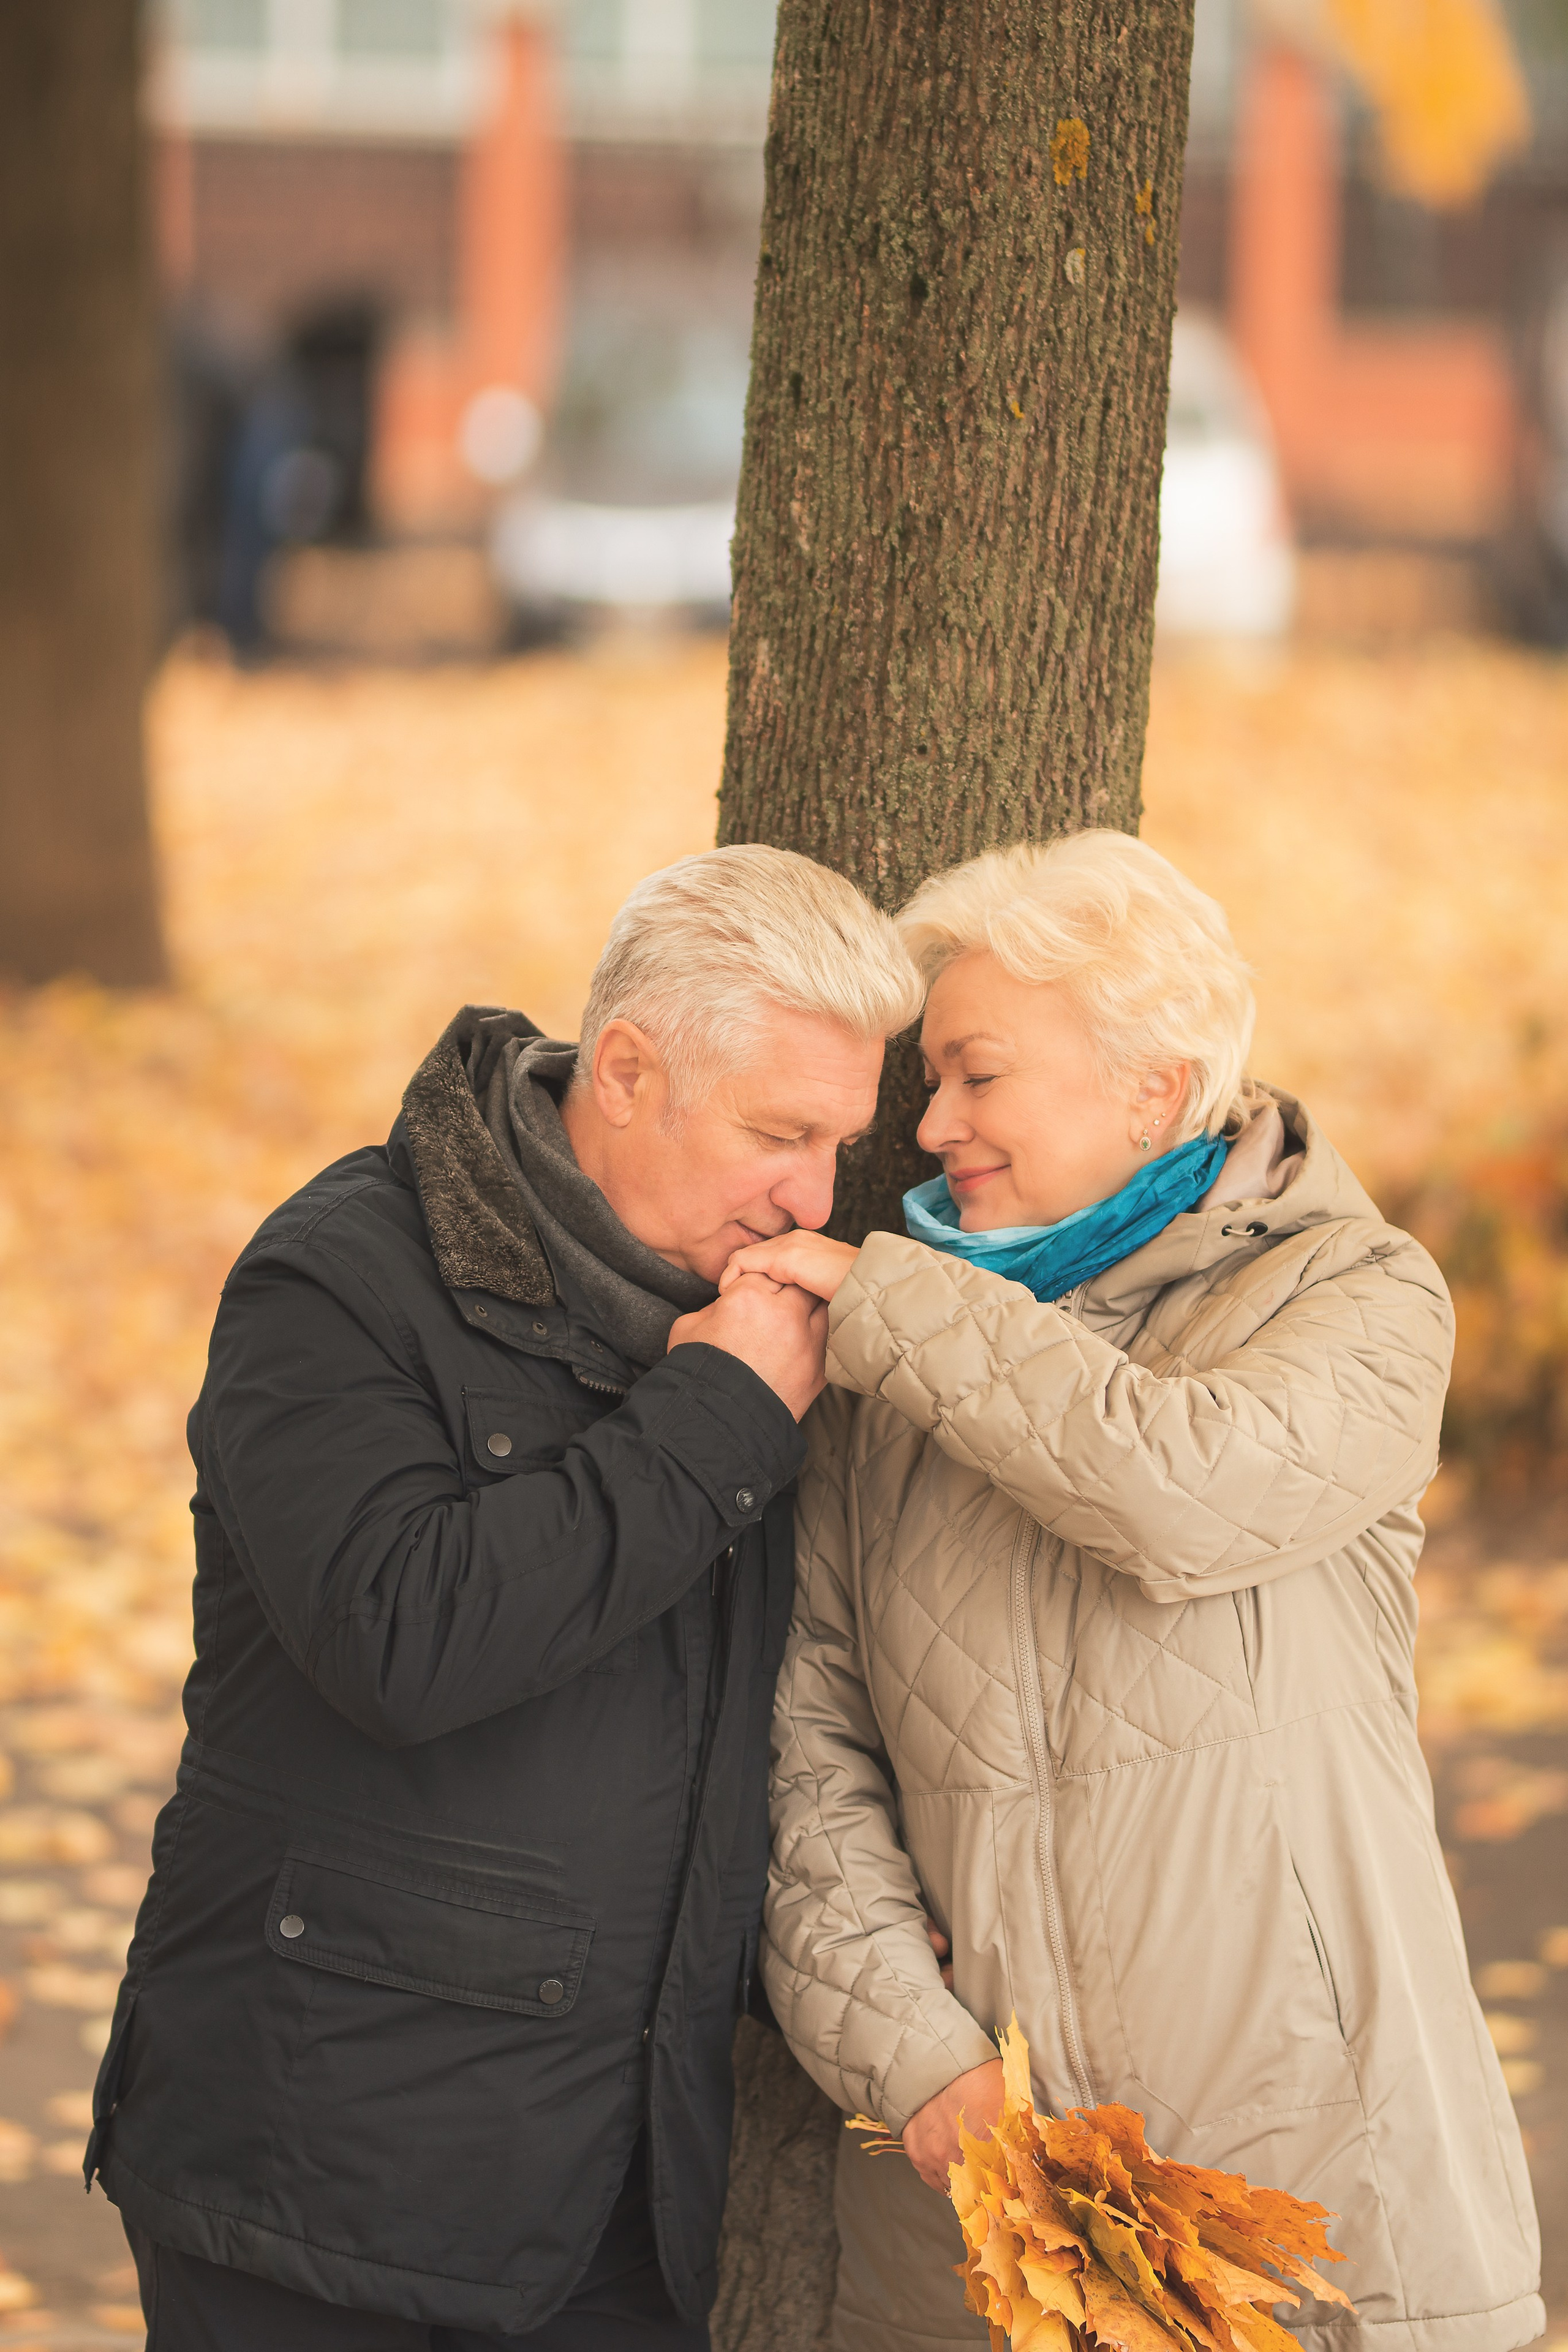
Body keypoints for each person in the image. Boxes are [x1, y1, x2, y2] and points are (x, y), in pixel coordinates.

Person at [87, 846, 924, 2350]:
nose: (810, 1193)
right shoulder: (341, 1279)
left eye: (837, 1144)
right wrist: (716, 1420)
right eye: (776, 1132)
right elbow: (397, 1638)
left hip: (615, 2204)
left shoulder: (746, 1320)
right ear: (625, 1070)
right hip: (317, 2188)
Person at [722, 831, 1544, 2352]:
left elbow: (1181, 1492)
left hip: (1319, 2173)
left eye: (975, 1074)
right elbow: (800, 1761)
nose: (931, 1126)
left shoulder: (1352, 1293)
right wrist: (917, 2063)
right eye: (929, 1082)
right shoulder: (886, 1377)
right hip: (979, 2214)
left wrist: (895, 1302)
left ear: (1153, 1088)